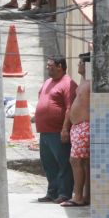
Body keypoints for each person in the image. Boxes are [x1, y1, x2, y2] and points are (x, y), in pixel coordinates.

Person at [36, 56, 78, 204]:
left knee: (63, 164)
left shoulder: (68, 84)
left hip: (58, 132)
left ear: (60, 66)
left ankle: (64, 193)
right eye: (47, 65)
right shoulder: (48, 82)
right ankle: (52, 192)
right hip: (44, 132)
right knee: (49, 164)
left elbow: (70, 108)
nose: (48, 68)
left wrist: (65, 129)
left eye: (50, 66)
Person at [62, 52, 90, 207]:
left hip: (84, 126)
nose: (78, 65)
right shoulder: (84, 81)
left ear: (87, 65)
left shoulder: (90, 83)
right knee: (82, 162)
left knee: (75, 160)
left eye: (80, 62)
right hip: (78, 127)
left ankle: (78, 196)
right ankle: (84, 195)